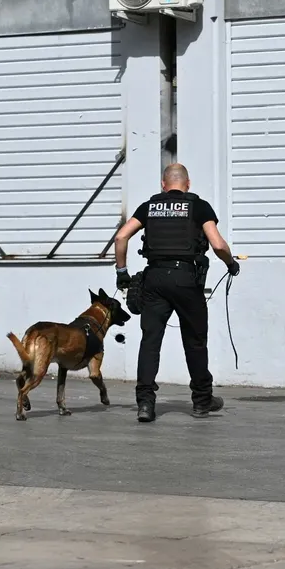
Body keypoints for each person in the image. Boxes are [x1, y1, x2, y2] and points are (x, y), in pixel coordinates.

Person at [112, 163, 240, 423]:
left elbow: (121, 237)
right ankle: (202, 401)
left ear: (163, 184)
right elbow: (217, 244)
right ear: (188, 184)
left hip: (154, 279)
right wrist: (231, 264)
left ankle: (145, 404)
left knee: (150, 342)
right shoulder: (199, 206)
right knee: (195, 341)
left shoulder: (149, 207)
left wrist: (121, 271)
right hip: (186, 279)